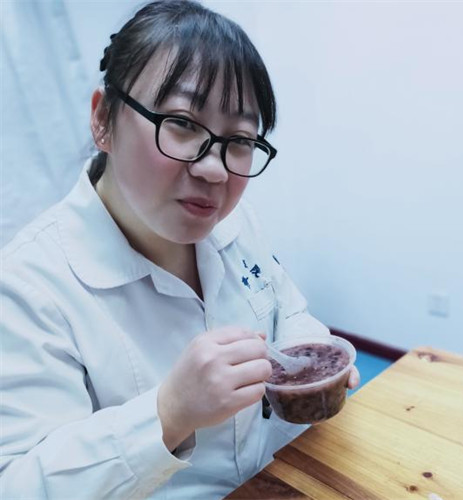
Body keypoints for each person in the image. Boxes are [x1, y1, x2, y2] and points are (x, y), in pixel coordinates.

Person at [0, 1, 359, 498]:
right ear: (103, 119)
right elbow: (18, 484)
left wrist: (309, 359)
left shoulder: (235, 224)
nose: (214, 170)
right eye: (183, 123)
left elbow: (287, 310)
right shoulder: (27, 287)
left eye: (239, 139)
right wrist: (168, 412)